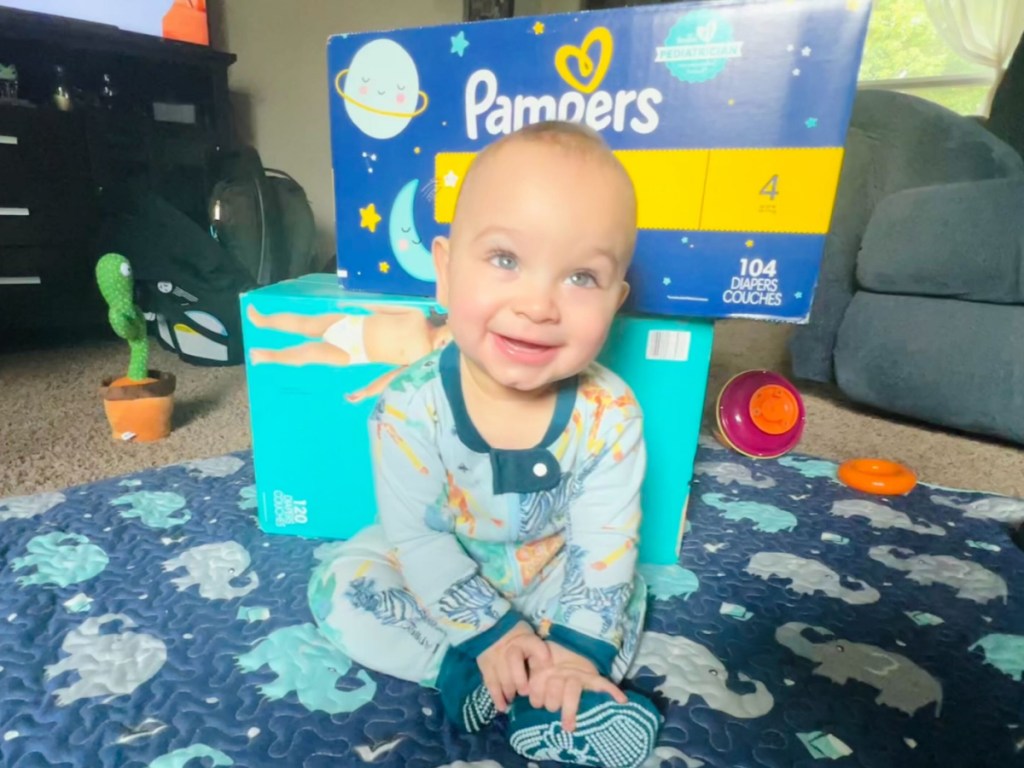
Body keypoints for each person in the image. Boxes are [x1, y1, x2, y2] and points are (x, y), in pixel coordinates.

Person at [308, 120, 661, 768]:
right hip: (437, 567)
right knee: (342, 586)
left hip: (552, 570)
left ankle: (564, 692)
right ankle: (459, 674)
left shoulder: (610, 413)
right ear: (444, 272)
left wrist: (578, 652)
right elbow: (417, 539)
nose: (538, 304)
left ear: (616, 301)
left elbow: (601, 547)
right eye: (505, 260)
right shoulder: (407, 408)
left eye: (581, 278)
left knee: (624, 587)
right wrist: (487, 636)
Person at [245, 303, 452, 402]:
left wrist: (368, 391)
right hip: (350, 325)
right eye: (454, 338)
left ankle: (272, 356)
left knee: (309, 353)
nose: (449, 345)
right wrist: (358, 303)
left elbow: (393, 376)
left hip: (354, 353)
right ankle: (264, 320)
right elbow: (383, 308)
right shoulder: (416, 316)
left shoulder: (423, 360)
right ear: (451, 322)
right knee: (305, 324)